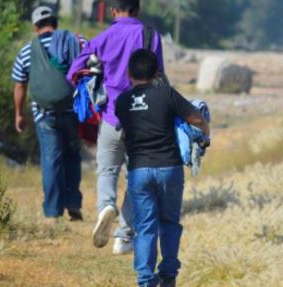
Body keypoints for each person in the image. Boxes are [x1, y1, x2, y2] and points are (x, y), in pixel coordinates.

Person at [67, 0, 165, 254]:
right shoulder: (150, 36)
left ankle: (105, 207)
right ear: (138, 9)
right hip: (143, 122)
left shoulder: (101, 38)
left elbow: (73, 73)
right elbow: (159, 75)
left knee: (107, 170)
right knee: (137, 177)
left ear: (112, 10)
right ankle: (124, 236)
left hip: (111, 117)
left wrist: (96, 75)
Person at [115, 49, 209, 287]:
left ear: (128, 74)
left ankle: (146, 280)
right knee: (169, 223)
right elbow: (196, 119)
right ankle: (168, 275)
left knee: (145, 227)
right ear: (157, 72)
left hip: (139, 171)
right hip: (169, 168)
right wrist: (205, 135)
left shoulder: (122, 101)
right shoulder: (166, 94)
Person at [12, 6, 84, 223]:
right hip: (72, 111)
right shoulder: (75, 42)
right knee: (72, 157)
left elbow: (20, 85)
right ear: (55, 22)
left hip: (45, 115)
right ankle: (72, 205)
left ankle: (52, 212)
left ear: (35, 27)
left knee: (51, 161)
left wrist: (18, 114)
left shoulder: (26, 50)